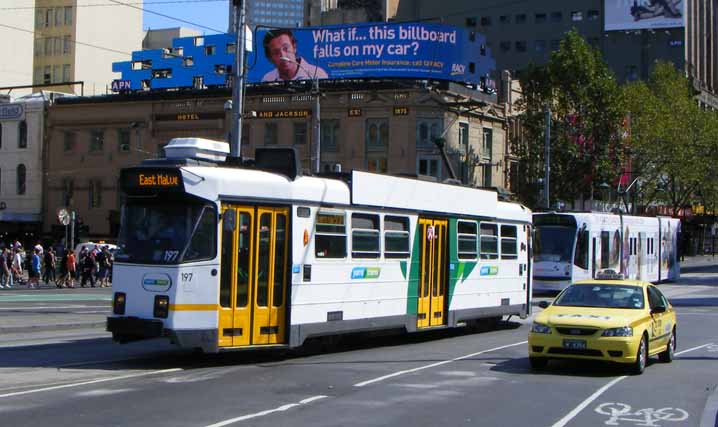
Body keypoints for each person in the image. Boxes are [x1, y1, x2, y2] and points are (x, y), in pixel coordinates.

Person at [261, 29, 328, 82]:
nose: (283, 56)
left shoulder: (317, 75)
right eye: (276, 52)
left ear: (294, 47)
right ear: (270, 58)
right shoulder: (267, 79)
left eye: (286, 48)